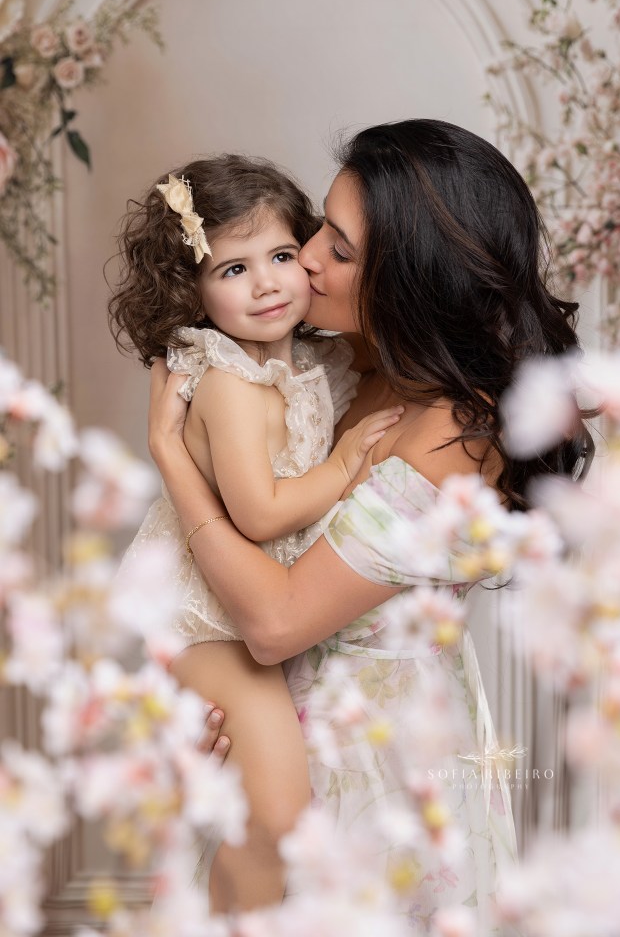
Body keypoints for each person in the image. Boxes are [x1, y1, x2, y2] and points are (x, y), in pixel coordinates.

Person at [147, 120, 593, 932]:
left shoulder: (454, 432)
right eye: (320, 225)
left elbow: (278, 622)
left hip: (378, 781)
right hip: (276, 754)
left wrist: (169, 459)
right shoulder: (350, 364)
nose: (306, 257)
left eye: (340, 250)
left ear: (410, 279)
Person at [108, 154, 404, 911]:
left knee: (273, 811)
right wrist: (343, 463)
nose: (268, 282)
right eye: (232, 269)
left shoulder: (306, 360)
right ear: (193, 291)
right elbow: (259, 513)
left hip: (249, 612)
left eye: (280, 255)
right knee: (277, 814)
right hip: (204, 618)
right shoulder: (230, 381)